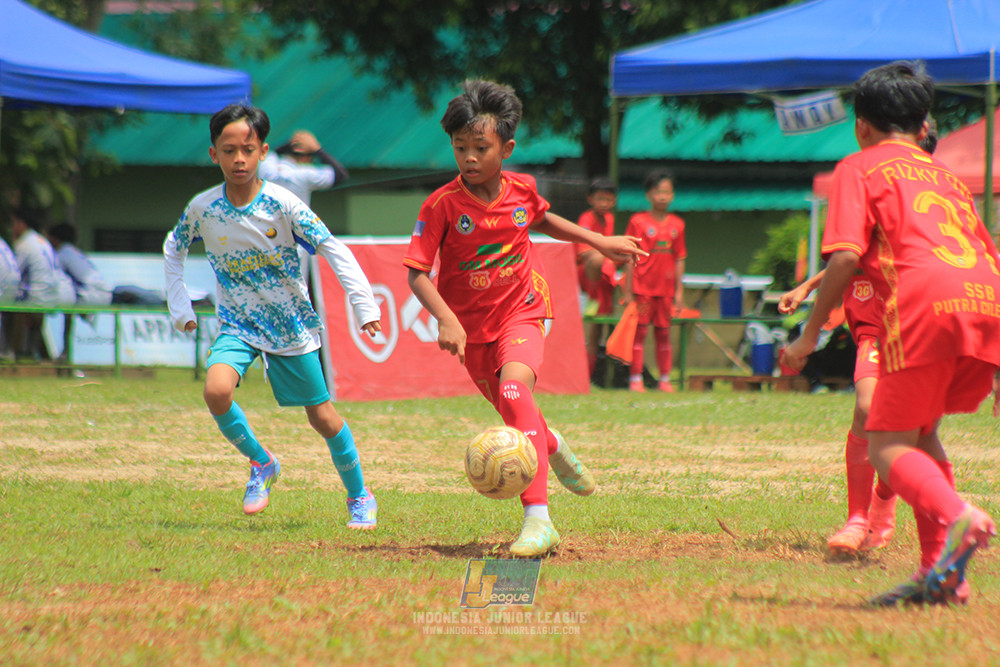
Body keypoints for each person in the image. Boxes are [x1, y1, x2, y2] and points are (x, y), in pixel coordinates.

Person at [781, 61, 999, 606]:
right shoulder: (943, 173)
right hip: (985, 296)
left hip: (922, 302)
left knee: (886, 445)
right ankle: (943, 575)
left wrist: (808, 337)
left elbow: (847, 256)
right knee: (921, 433)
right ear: (925, 126)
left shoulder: (859, 166)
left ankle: (959, 516)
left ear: (861, 125)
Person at [403, 80, 645, 557]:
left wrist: (601, 243)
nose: (469, 158)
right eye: (460, 148)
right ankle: (550, 442)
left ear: (506, 148)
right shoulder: (442, 205)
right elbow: (416, 274)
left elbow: (543, 219)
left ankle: (539, 522)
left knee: (516, 392)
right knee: (519, 419)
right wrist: (448, 320)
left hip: (523, 312)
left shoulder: (522, 190)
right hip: (473, 334)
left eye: (480, 147)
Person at [164, 103, 383, 528]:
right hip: (238, 322)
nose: (239, 159)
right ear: (214, 155)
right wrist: (180, 306)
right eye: (229, 151)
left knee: (322, 417)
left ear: (264, 152)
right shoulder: (203, 209)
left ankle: (359, 495)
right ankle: (262, 463)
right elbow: (174, 247)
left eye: (247, 149)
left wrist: (363, 304)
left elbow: (333, 249)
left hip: (290, 324)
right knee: (216, 390)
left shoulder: (284, 204)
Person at [780, 118, 939, 558]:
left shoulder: (929, 202)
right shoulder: (873, 189)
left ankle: (886, 511)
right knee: (868, 409)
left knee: (912, 430)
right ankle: (856, 518)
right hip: (875, 327)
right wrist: (807, 288)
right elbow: (849, 256)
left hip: (920, 326)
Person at [622, 169, 686, 393]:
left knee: (664, 334)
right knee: (638, 333)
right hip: (642, 289)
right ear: (649, 194)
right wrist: (628, 290)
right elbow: (630, 256)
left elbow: (680, 258)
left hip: (665, 291)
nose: (663, 196)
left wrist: (679, 291)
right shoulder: (638, 222)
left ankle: (665, 379)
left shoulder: (678, 225)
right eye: (658, 192)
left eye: (667, 192)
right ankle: (635, 379)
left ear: (673, 195)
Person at [8, 207, 76, 359]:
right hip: (51, 294)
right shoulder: (42, 241)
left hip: (37, 296)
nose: (13, 228)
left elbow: (14, 273)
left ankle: (9, 351)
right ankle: (30, 351)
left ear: (21, 224)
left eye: (14, 223)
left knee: (8, 304)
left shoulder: (24, 243)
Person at [575, 177, 620, 379]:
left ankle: (593, 376)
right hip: (585, 275)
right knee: (597, 259)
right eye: (600, 199)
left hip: (603, 278)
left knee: (598, 330)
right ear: (590, 199)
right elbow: (584, 253)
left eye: (608, 200)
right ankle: (591, 299)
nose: (604, 204)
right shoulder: (586, 219)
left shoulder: (609, 220)